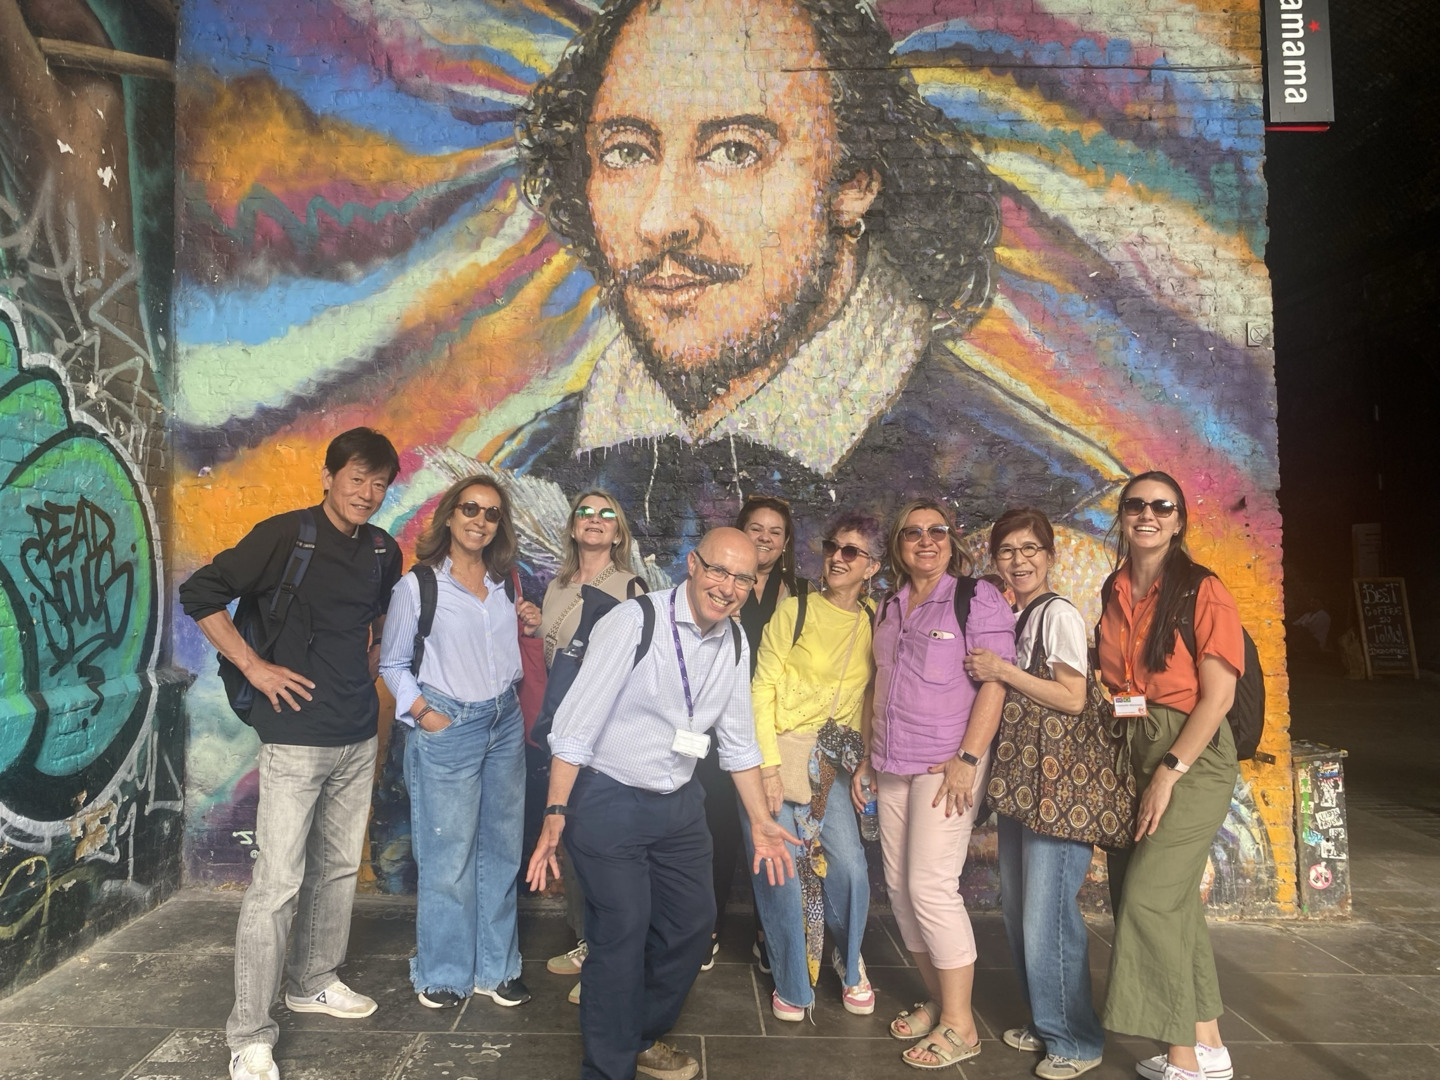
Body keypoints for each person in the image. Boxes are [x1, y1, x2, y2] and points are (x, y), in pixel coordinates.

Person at [494, 0, 1116, 578]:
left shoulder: (1042, 504)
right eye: (626, 153)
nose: (661, 221)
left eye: (734, 152)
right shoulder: (529, 473)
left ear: (853, 184)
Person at [525, 528, 800, 1080]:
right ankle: (608, 1068)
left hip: (679, 804)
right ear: (693, 565)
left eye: (741, 578)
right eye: (717, 570)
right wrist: (555, 813)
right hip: (609, 798)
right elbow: (575, 728)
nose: (727, 587)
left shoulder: (735, 641)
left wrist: (761, 820)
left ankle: (639, 1035)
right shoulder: (635, 622)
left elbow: (739, 743)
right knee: (622, 933)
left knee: (692, 927)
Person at [178, 428, 403, 1080]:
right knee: (277, 885)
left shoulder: (382, 550)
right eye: (356, 478)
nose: (367, 493)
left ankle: (313, 980)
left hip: (356, 734)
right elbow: (200, 594)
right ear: (329, 477)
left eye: (379, 484)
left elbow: (379, 619)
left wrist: (368, 668)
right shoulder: (286, 536)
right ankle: (250, 1034)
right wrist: (254, 666)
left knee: (337, 870)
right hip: (295, 740)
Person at [852, 499, 1015, 1070]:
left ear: (951, 540)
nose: (926, 541)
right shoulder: (889, 606)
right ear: (898, 546)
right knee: (900, 890)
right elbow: (877, 684)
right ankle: (941, 1001)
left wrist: (969, 758)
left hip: (947, 766)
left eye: (937, 531)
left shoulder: (976, 598)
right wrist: (867, 759)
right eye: (913, 533)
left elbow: (994, 684)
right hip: (891, 762)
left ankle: (962, 1026)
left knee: (930, 887)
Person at [1095, 473, 1244, 1080]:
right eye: (1136, 505)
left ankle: (1181, 1059)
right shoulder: (1114, 588)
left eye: (1162, 506)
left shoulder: (1203, 590)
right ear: (1123, 515)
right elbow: (1116, 683)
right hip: (1135, 744)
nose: (1148, 515)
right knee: (1174, 902)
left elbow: (1218, 698)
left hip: (1192, 756)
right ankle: (1209, 1043)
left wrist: (1169, 772)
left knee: (1149, 899)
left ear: (1179, 520)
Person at [377, 474, 543, 1010]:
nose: (480, 520)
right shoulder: (418, 586)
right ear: (450, 515)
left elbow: (508, 651)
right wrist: (425, 715)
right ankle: (444, 973)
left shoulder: (505, 583)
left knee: (501, 849)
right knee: (448, 854)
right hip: (449, 724)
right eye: (470, 509)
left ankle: (496, 969)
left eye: (492, 513)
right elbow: (392, 664)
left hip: (503, 722)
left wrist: (529, 626)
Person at [963, 508, 1107, 1079]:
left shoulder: (1058, 614)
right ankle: (1050, 1022)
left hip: (1058, 790)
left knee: (1048, 915)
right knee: (1022, 910)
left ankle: (1076, 1040)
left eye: (1030, 549)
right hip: (1025, 786)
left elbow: (1073, 696)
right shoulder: (1016, 615)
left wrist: (1002, 670)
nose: (1018, 560)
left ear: (1049, 557)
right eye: (1007, 551)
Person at [745, 512, 881, 1020]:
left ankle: (848, 958)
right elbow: (762, 686)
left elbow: (874, 693)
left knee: (849, 868)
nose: (837, 558)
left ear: (872, 566)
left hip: (831, 765)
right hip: (780, 752)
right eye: (832, 547)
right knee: (781, 871)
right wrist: (767, 766)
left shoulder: (875, 620)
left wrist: (865, 760)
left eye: (851, 551)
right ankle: (792, 982)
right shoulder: (795, 610)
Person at [539, 489, 648, 1001]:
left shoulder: (630, 587)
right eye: (586, 512)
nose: (596, 520)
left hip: (606, 736)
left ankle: (610, 959)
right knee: (575, 840)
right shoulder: (556, 587)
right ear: (573, 526)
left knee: (606, 846)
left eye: (608, 514)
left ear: (618, 532)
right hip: (564, 730)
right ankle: (588, 942)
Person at [696, 494, 804, 975]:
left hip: (773, 731)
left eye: (775, 532)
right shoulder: (718, 587)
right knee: (717, 831)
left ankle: (768, 932)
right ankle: (708, 927)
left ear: (786, 542)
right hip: (718, 725)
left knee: (771, 832)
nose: (764, 538)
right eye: (755, 528)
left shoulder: (800, 592)